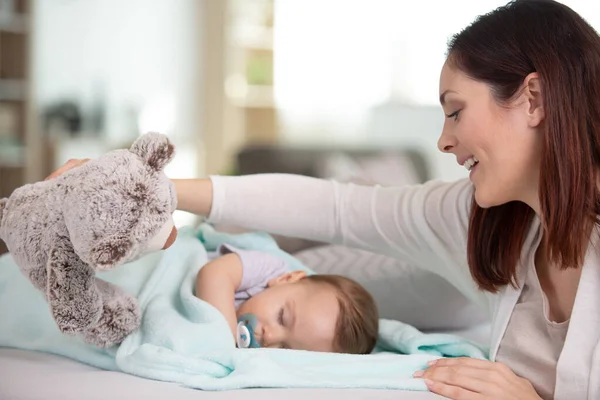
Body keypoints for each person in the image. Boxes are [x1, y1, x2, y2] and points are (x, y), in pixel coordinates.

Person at [47, 0, 600, 398]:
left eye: (455, 110)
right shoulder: (485, 221)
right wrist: (156, 190)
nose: (444, 139)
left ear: (532, 99)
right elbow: (336, 208)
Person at [196, 243, 379, 354]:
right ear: (286, 279)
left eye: (285, 348)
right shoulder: (268, 270)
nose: (271, 337)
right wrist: (227, 342)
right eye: (281, 318)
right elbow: (214, 274)